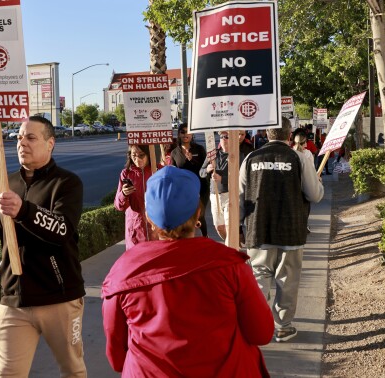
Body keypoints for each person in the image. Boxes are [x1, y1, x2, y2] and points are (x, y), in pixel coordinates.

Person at [102, 166, 274, 377]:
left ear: (149, 218)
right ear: (198, 212)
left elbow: (116, 357)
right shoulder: (230, 265)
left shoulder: (123, 272)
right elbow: (262, 333)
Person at [0, 115, 86, 377]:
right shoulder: (7, 183)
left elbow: (63, 230)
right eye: (19, 137)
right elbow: (6, 240)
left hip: (60, 297)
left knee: (73, 370)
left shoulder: (67, 183)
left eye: (31, 137)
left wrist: (24, 211)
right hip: (15, 299)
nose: (22, 142)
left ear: (50, 143)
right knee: (7, 373)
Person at [239, 117, 324, 343]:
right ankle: (283, 327)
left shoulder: (250, 158)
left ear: (267, 134)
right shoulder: (299, 158)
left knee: (259, 277)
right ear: (289, 136)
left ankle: (257, 324)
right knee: (287, 280)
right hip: (291, 229)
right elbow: (314, 195)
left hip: (258, 229)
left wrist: (239, 226)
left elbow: (240, 196)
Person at [200, 130, 253, 240]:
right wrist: (207, 170)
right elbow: (201, 172)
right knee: (219, 227)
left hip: (231, 194)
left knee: (230, 227)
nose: (224, 139)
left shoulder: (238, 155)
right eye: (222, 137)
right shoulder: (212, 154)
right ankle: (231, 244)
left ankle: (231, 248)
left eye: (227, 137)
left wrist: (222, 179)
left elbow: (242, 177)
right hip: (215, 195)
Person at [114, 144, 158, 249]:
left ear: (149, 154)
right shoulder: (126, 174)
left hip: (156, 226)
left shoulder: (158, 171)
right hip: (136, 227)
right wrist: (123, 194)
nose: (137, 159)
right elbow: (118, 206)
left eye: (141, 155)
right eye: (134, 155)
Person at [170, 123, 209, 237]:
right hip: (184, 189)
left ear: (192, 134)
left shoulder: (199, 149)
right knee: (186, 215)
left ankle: (205, 238)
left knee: (199, 214)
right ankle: (189, 239)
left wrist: (192, 160)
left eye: (188, 132)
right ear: (179, 134)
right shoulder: (174, 153)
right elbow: (173, 171)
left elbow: (205, 168)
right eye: (183, 132)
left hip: (201, 187)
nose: (185, 134)